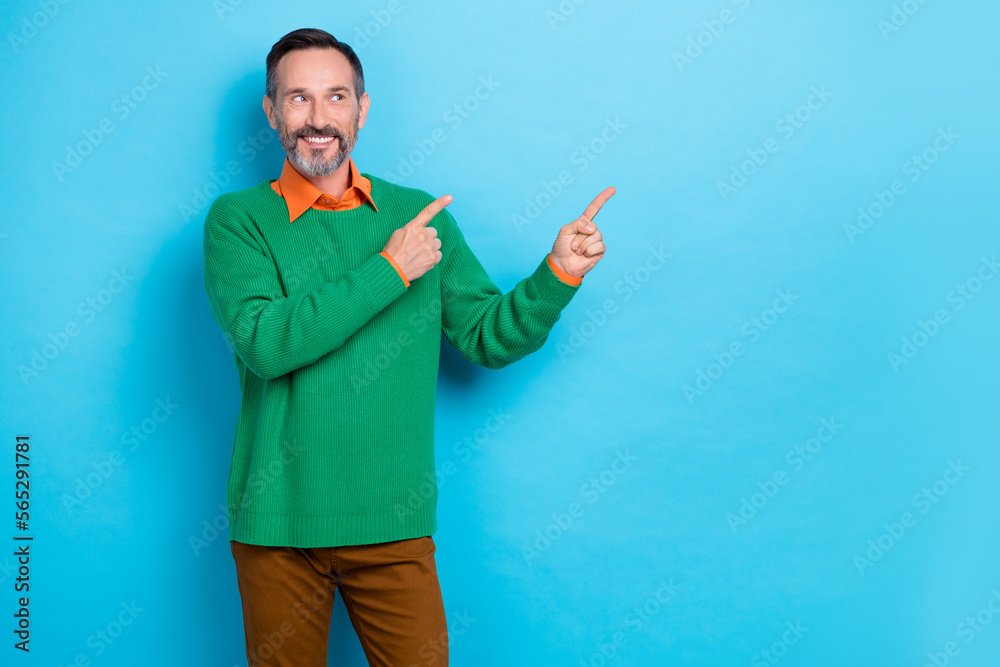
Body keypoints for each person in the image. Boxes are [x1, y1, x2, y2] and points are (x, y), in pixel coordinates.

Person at [202, 27, 613, 667]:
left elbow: (488, 336)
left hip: (392, 522)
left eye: (336, 97)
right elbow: (267, 343)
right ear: (271, 110)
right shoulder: (239, 220)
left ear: (361, 109)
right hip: (277, 527)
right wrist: (389, 271)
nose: (318, 119)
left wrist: (556, 276)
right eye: (298, 98)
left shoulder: (422, 217)